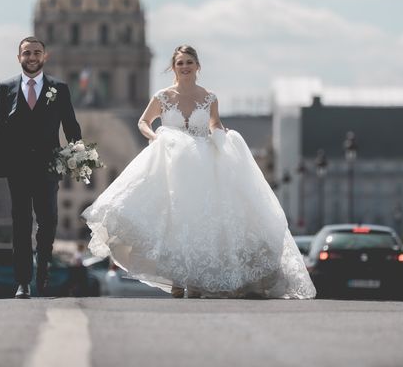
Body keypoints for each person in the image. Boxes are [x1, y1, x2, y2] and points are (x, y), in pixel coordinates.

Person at [82, 45, 315, 299]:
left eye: (189, 62)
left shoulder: (210, 97)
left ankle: (193, 279)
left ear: (197, 66)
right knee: (171, 220)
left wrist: (228, 139)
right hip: (170, 161)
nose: (184, 67)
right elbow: (143, 121)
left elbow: (215, 125)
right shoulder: (162, 96)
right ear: (173, 67)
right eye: (180, 63)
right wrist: (155, 136)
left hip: (201, 163)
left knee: (198, 222)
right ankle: (176, 278)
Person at [0, 37, 82, 298]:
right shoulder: (6, 88)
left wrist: (80, 155)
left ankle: (43, 270)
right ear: (19, 58)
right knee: (21, 223)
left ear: (45, 56)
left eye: (37, 52)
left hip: (48, 165)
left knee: (48, 222)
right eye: (27, 53)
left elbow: (70, 125)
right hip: (17, 167)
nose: (32, 57)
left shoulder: (59, 88)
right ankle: (23, 282)